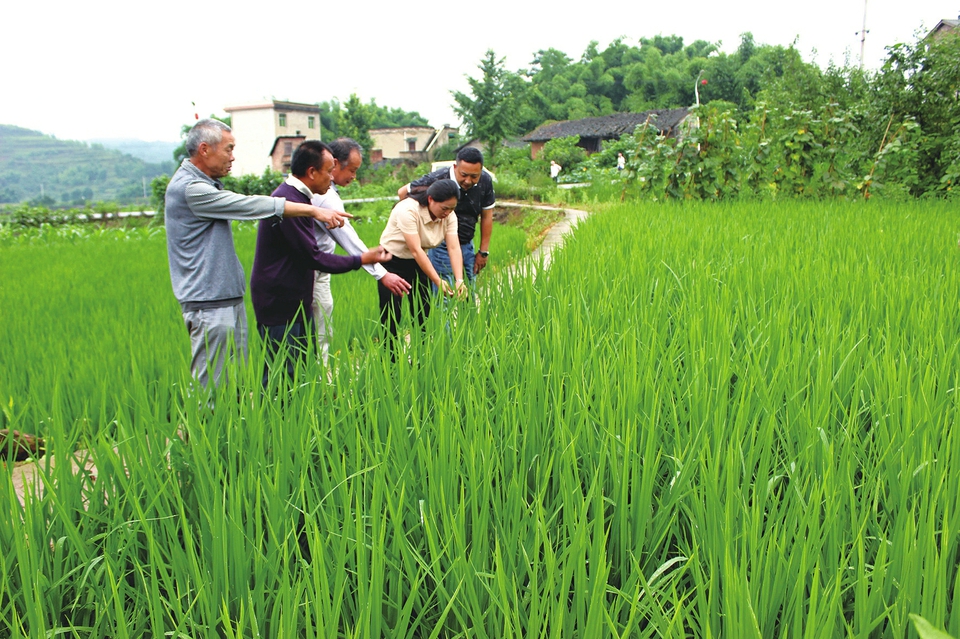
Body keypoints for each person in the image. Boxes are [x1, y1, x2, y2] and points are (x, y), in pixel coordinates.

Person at [165, 118, 349, 390]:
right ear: (204, 149)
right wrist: (312, 210)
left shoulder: (203, 184)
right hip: (208, 302)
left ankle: (232, 431)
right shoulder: (191, 189)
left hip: (225, 298)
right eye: (228, 149)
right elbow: (246, 205)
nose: (232, 156)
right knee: (212, 387)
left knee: (233, 382)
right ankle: (202, 431)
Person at [250, 140, 390, 387]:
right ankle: (274, 423)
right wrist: (361, 260)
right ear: (312, 172)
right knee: (282, 376)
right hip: (280, 301)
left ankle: (295, 419)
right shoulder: (288, 201)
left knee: (299, 370)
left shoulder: (299, 199)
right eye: (328, 171)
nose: (331, 178)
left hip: (293, 298)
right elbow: (313, 256)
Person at [311, 138, 411, 364]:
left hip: (319, 270)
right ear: (334, 164)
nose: (354, 177)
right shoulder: (325, 196)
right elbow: (347, 238)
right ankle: (315, 383)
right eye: (352, 170)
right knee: (317, 332)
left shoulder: (328, 192)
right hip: (311, 269)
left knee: (321, 330)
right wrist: (382, 273)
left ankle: (319, 383)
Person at [378, 179, 465, 347]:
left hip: (418, 262)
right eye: (445, 208)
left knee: (422, 311)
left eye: (452, 208)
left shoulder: (449, 215)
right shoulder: (408, 209)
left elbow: (453, 247)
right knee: (391, 314)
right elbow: (415, 249)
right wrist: (438, 281)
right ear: (431, 199)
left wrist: (459, 280)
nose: (448, 213)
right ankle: (390, 363)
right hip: (391, 262)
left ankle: (422, 355)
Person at [397, 147, 495, 286]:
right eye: (464, 175)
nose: (468, 181)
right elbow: (403, 193)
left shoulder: (485, 180)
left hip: (466, 243)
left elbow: (486, 216)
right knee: (444, 293)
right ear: (455, 167)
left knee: (468, 292)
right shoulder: (437, 179)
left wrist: (483, 252)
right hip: (440, 244)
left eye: (474, 176)